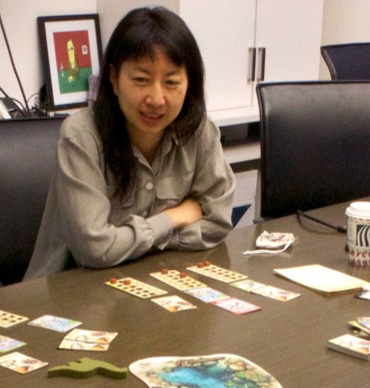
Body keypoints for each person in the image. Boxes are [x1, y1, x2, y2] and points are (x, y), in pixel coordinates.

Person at [25, 6, 235, 279]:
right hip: (71, 291)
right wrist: (173, 219)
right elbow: (94, 250)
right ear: (113, 78)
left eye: (171, 82)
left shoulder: (200, 132)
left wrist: (139, 242)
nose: (157, 99)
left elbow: (218, 222)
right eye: (141, 80)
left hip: (155, 282)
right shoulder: (80, 136)